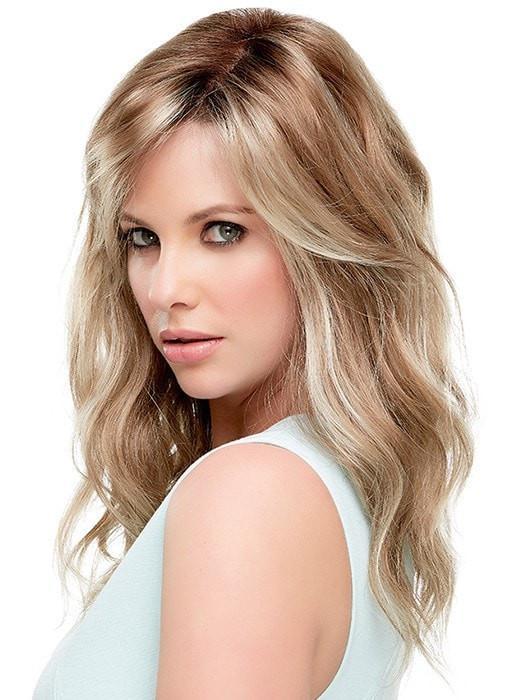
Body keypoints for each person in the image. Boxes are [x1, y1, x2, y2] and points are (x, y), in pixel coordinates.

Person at [33, 7, 476, 699]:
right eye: (142, 238)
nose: (165, 290)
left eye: (221, 231)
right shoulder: (341, 491)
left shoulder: (252, 495)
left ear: (326, 236)